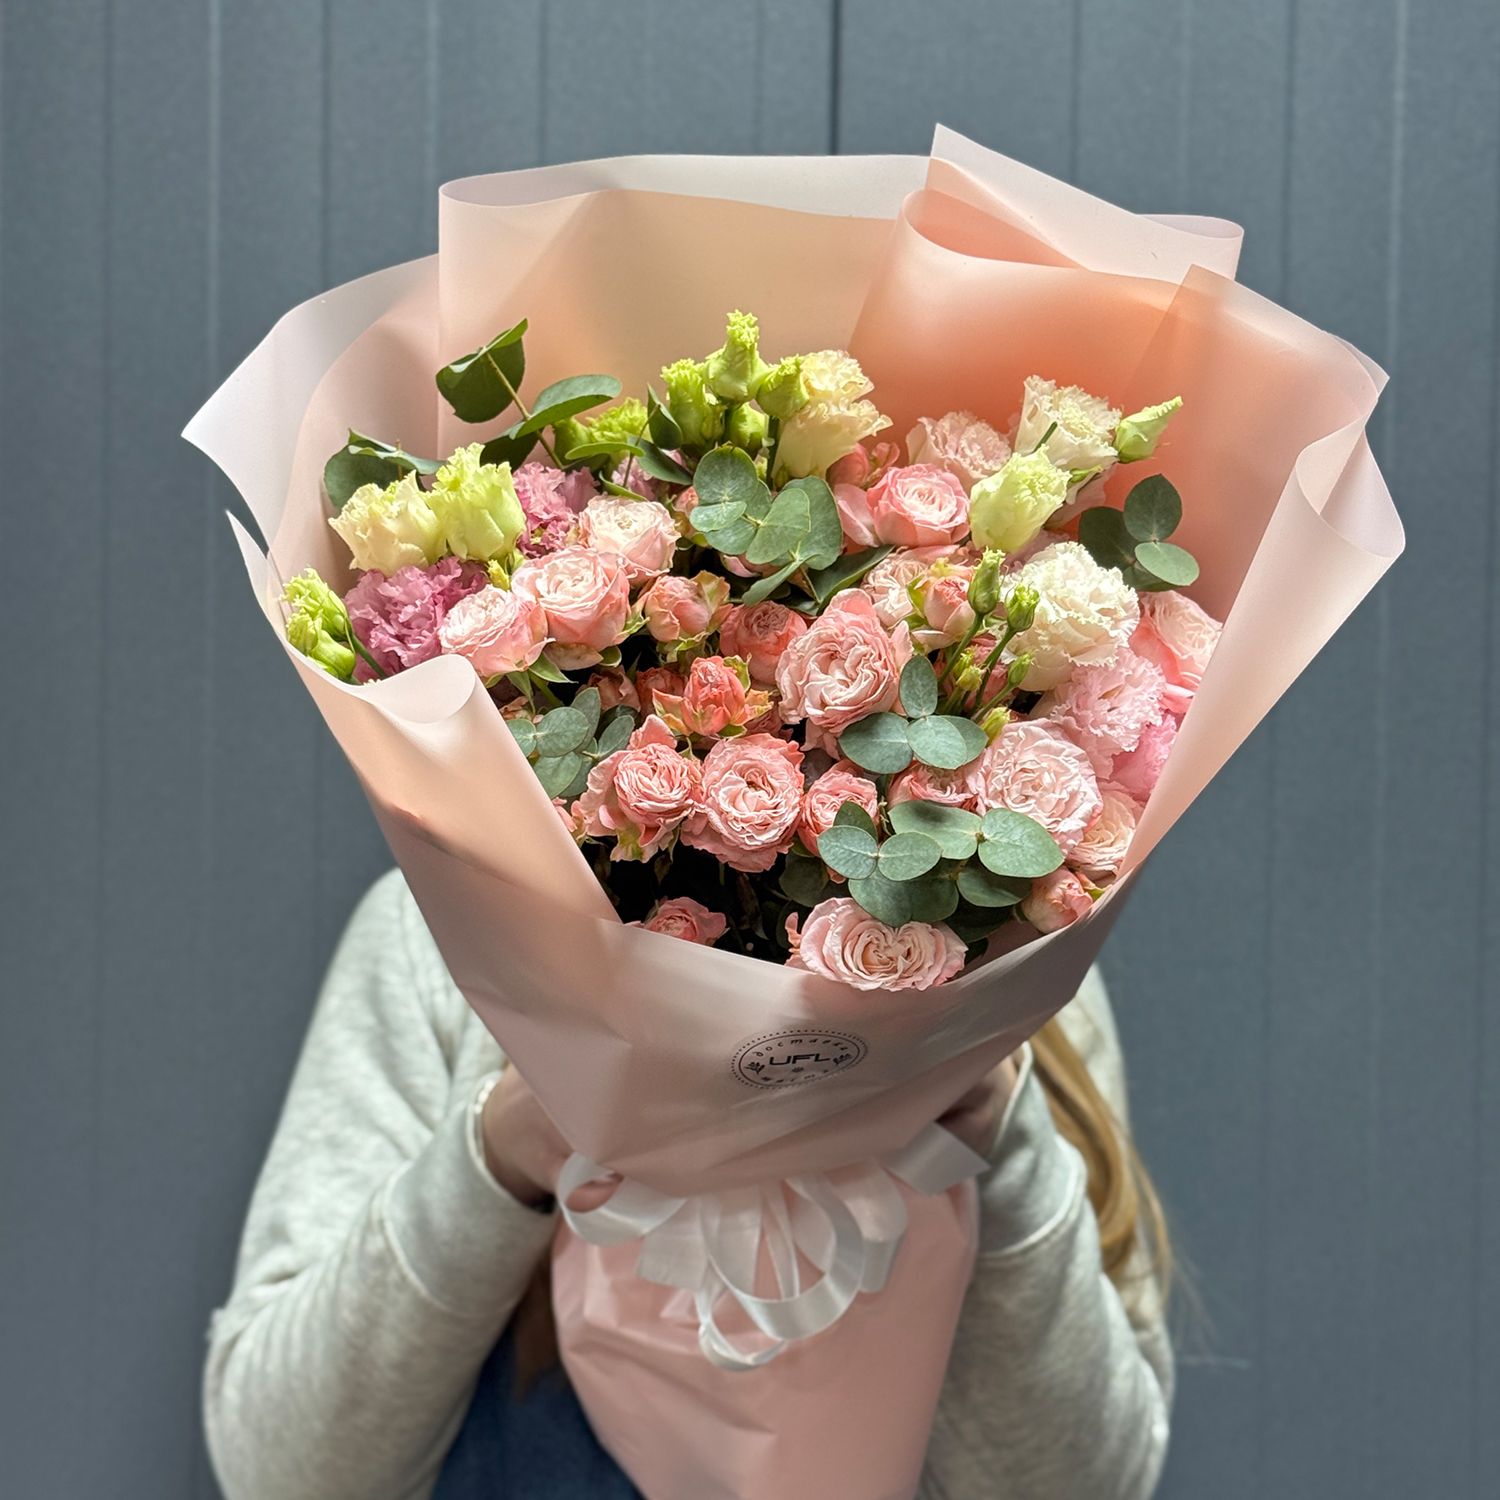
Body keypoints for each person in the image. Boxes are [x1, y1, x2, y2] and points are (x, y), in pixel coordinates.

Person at [204, 870, 1173, 1499]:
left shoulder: (1021, 956)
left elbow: (1095, 1484)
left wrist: (997, 1137)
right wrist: (499, 1152)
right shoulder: (445, 930)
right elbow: (282, 1472)